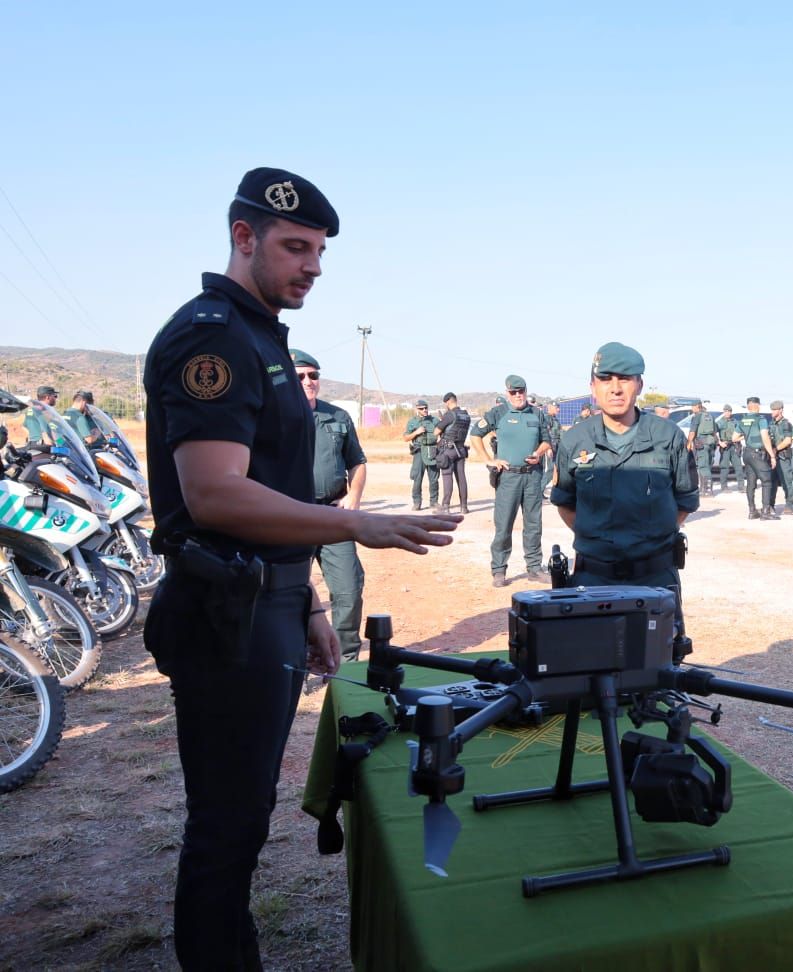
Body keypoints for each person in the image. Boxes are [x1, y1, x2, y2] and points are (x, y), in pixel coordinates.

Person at [141, 167, 458, 970]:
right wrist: (357, 523)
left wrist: (309, 601)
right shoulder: (214, 334)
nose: (311, 265)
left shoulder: (258, 335)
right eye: (294, 247)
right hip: (226, 614)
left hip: (267, 602)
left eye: (318, 251)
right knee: (227, 823)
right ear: (242, 238)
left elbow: (271, 489)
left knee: (243, 817)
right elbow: (214, 495)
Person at [551, 341, 697, 596]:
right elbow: (565, 503)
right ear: (593, 387)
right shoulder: (574, 440)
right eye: (606, 379)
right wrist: (599, 538)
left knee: (661, 638)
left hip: (656, 577)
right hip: (593, 577)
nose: (615, 389)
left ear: (639, 385)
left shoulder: (668, 436)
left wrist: (649, 539)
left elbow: (685, 501)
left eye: (625, 379)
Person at [293, 348, 368, 660]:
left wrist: (354, 496)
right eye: (300, 376)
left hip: (333, 515)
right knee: (291, 591)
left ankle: (345, 658)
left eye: (313, 375)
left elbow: (358, 462)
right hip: (292, 518)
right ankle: (298, 655)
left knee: (349, 589)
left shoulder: (337, 416)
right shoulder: (273, 416)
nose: (309, 381)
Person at [471, 374, 556, 587]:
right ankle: (499, 570)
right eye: (513, 392)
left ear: (526, 391)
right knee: (504, 525)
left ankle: (535, 569)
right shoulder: (498, 413)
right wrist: (489, 460)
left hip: (532, 476)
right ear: (507, 393)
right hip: (508, 477)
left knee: (534, 524)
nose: (518, 395)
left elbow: (547, 441)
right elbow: (475, 434)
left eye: (521, 391)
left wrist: (538, 453)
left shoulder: (537, 413)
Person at [736, 396, 777, 519]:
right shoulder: (761, 420)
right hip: (757, 454)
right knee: (767, 480)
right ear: (757, 405)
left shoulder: (743, 420)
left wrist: (746, 437)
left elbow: (734, 438)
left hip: (747, 453)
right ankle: (765, 512)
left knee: (751, 483)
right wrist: (772, 455)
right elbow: (765, 438)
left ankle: (752, 511)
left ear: (748, 406)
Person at [435, 392, 472, 513]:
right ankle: (464, 507)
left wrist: (442, 425)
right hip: (461, 449)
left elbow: (436, 432)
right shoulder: (466, 416)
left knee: (447, 476)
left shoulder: (450, 415)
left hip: (449, 450)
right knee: (461, 477)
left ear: (448, 402)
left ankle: (445, 507)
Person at [404, 398, 440, 510]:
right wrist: (416, 432)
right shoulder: (412, 421)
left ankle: (434, 502)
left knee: (434, 478)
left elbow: (442, 432)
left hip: (432, 451)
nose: (424, 410)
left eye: (426, 408)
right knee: (417, 478)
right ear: (417, 409)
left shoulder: (434, 420)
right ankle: (417, 502)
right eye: (421, 408)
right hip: (419, 452)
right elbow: (405, 437)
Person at [765, 400, 793, 514]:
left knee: (786, 482)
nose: (772, 412)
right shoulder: (771, 424)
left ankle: (790, 505)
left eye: (774, 410)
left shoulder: (786, 424)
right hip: (772, 458)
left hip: (783, 457)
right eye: (772, 410)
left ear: (781, 410)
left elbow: (788, 440)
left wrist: (776, 449)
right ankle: (770, 505)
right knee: (771, 482)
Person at [685, 401, 719, 494]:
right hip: (711, 443)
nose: (692, 408)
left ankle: (707, 490)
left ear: (697, 407)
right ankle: (703, 489)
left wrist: (688, 443)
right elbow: (715, 432)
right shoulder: (710, 416)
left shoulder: (697, 417)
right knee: (707, 466)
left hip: (702, 444)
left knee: (703, 467)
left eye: (693, 406)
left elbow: (692, 432)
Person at [715, 403, 742, 492]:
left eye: (729, 411)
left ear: (731, 412)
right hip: (725, 446)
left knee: (738, 466)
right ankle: (724, 486)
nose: (727, 413)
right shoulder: (720, 422)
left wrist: (739, 439)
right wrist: (720, 442)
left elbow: (741, 432)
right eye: (726, 411)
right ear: (723, 412)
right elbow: (713, 433)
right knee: (724, 467)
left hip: (734, 445)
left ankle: (741, 486)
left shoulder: (735, 422)